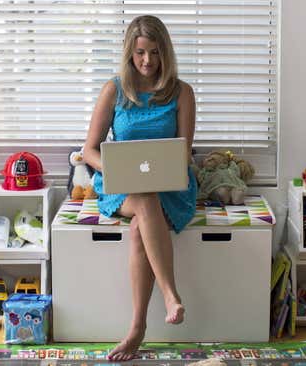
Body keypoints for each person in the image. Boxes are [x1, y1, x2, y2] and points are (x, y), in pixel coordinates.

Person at [82, 15, 197, 362]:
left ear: (166, 53)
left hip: (170, 186)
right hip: (120, 184)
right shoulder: (114, 89)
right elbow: (89, 150)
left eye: (155, 53)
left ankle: (136, 329)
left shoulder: (182, 92)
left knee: (139, 228)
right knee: (142, 196)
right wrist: (117, 168)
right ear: (129, 54)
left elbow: (184, 153)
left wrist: (156, 171)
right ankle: (170, 293)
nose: (148, 61)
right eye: (140, 53)